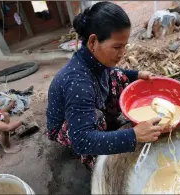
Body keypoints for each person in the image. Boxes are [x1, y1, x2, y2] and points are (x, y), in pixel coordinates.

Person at [47, 2, 166, 170]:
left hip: (84, 108)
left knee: (118, 77)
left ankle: (107, 129)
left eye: (124, 46)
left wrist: (137, 75)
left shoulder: (93, 58)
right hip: (66, 130)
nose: (122, 53)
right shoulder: (77, 82)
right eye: (117, 47)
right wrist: (133, 136)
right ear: (93, 41)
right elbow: (81, 140)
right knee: (95, 118)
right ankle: (97, 163)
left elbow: (112, 71)